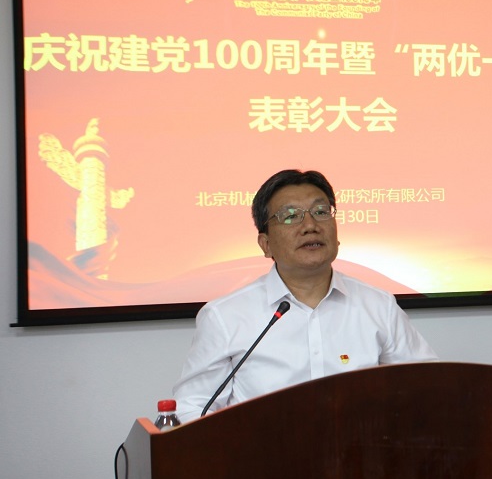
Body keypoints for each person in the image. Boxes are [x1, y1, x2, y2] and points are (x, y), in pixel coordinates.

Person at [173, 169, 438, 423]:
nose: (310, 226)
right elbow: (192, 408)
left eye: (321, 212)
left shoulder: (378, 306)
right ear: (266, 244)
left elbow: (428, 387)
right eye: (290, 216)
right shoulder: (225, 316)